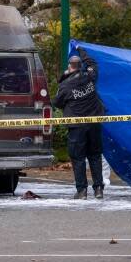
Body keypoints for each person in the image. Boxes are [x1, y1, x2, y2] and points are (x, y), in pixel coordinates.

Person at [52, 43, 106, 200]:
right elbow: (92, 63)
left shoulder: (65, 85)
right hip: (94, 123)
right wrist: (80, 48)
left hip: (77, 127)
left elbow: (57, 102)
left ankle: (82, 191)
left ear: (70, 67)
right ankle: (98, 190)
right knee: (95, 156)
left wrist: (64, 78)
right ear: (80, 66)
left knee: (78, 158)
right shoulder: (89, 77)